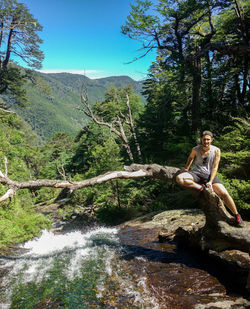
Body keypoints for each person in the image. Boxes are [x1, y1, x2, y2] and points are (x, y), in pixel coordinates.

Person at [176, 130, 245, 227]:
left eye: (208, 139)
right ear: (201, 140)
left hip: (209, 175)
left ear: (212, 140)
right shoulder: (196, 149)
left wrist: (210, 181)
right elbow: (190, 158)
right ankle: (200, 188)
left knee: (224, 193)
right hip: (196, 173)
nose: (206, 141)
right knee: (180, 178)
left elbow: (215, 167)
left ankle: (236, 215)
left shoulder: (216, 150)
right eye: (204, 139)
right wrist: (187, 168)